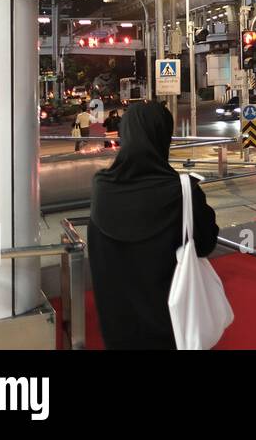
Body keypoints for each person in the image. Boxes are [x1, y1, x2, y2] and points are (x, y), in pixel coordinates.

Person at [87, 102, 219, 349]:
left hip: (117, 333)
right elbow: (206, 243)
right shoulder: (183, 192)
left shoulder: (101, 187)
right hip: (172, 333)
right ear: (163, 137)